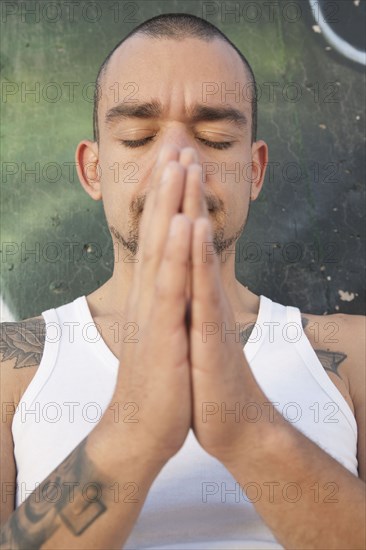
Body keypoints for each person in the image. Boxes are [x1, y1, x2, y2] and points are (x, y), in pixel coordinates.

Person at [0, 12, 365, 550]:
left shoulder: (353, 353)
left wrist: (246, 428)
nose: (178, 163)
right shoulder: (13, 367)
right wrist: (135, 432)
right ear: (93, 170)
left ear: (255, 170)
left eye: (216, 138)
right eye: (138, 136)